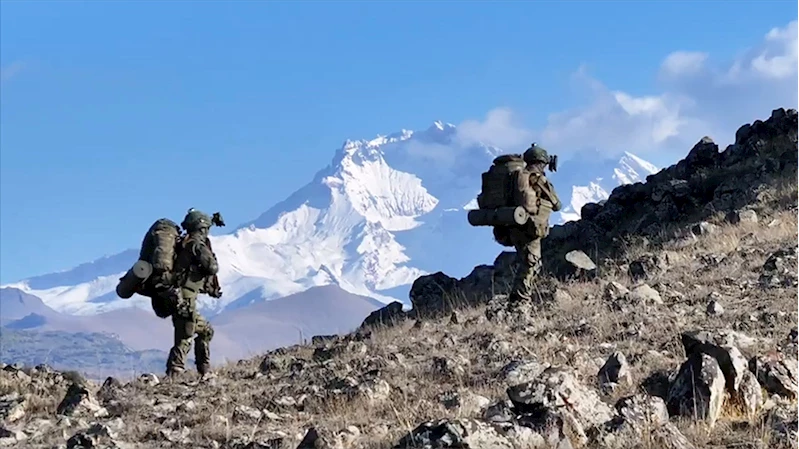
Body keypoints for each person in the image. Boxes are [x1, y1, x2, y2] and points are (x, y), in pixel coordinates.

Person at [165, 208, 219, 378]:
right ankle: (177, 371)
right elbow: (212, 266)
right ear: (202, 229)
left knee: (202, 330)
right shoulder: (196, 244)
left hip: (178, 294)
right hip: (185, 296)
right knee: (186, 333)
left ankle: (203, 369)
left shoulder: (185, 243)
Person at [507, 144, 562, 302]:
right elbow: (557, 204)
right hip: (530, 228)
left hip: (513, 224)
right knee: (531, 263)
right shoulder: (537, 179)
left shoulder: (516, 178)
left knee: (525, 261)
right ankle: (520, 300)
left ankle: (518, 297)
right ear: (541, 162)